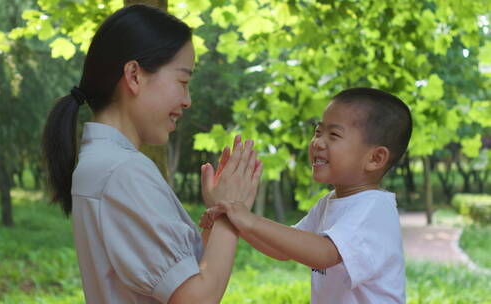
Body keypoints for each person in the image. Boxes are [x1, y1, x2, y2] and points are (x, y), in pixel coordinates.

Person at [41, 4, 262, 304]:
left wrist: (215, 218)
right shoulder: (121, 171)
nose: (188, 101)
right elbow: (195, 298)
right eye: (183, 82)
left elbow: (182, 275)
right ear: (134, 75)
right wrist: (231, 213)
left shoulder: (105, 164)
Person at [202, 88, 412, 303]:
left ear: (375, 158)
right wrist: (233, 218)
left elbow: (324, 254)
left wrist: (250, 220)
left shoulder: (374, 208)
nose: (317, 142)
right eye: (318, 132)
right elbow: (283, 249)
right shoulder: (329, 202)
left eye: (334, 135)